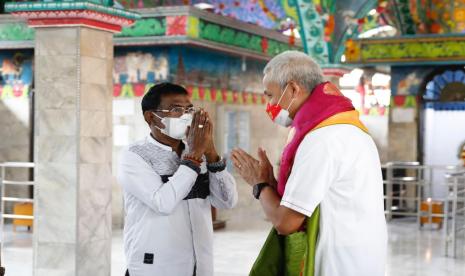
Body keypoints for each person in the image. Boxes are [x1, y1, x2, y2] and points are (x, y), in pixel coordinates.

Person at [231, 51, 387, 276]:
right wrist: (272, 183)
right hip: (361, 253)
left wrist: (260, 184)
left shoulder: (322, 138)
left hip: (337, 261)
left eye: (271, 95)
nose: (271, 104)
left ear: (293, 89)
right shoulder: (347, 125)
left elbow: (286, 222)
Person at [117, 82, 238, 276]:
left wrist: (211, 152)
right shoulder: (134, 155)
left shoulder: (198, 152)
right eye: (175, 109)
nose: (185, 115)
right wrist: (195, 156)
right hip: (155, 268)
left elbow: (227, 201)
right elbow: (163, 203)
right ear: (151, 117)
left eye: (189, 109)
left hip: (200, 266)